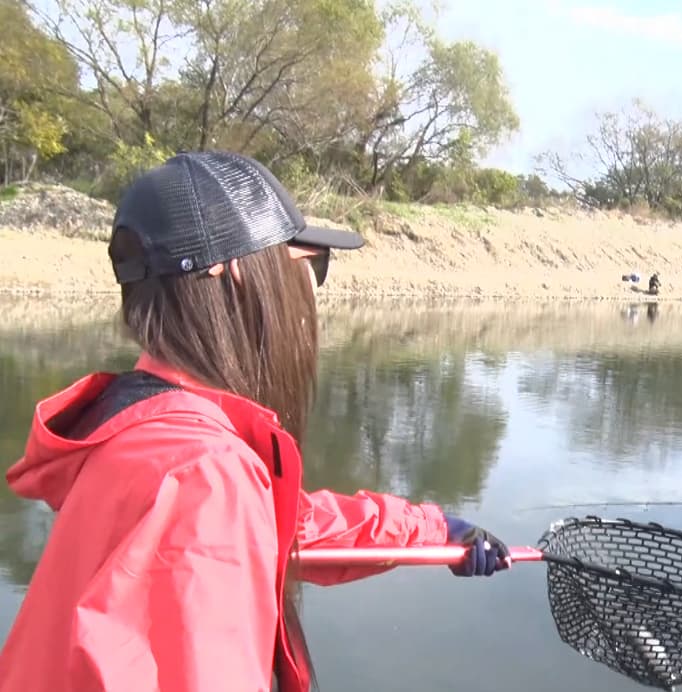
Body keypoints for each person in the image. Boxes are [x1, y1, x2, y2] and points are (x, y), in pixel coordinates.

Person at [0, 151, 512, 692]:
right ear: (238, 273)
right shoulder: (206, 470)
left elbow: (281, 524)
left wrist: (432, 532)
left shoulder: (140, 425)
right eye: (308, 267)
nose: (310, 297)